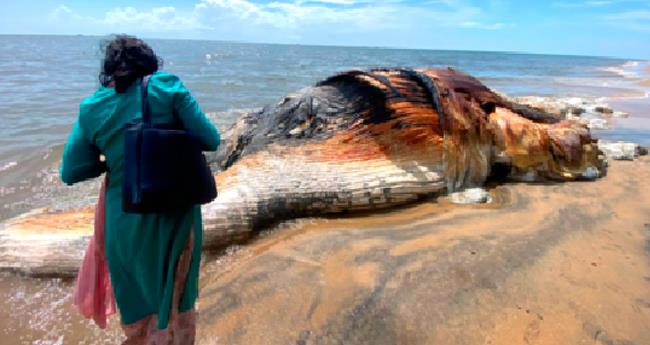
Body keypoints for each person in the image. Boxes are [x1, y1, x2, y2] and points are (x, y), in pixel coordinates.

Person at [60, 35, 220, 344]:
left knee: (137, 306)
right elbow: (210, 139)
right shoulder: (167, 87)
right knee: (179, 300)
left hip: (123, 220)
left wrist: (115, 163)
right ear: (150, 63)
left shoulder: (92, 106)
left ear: (109, 69)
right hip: (175, 216)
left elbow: (71, 171)